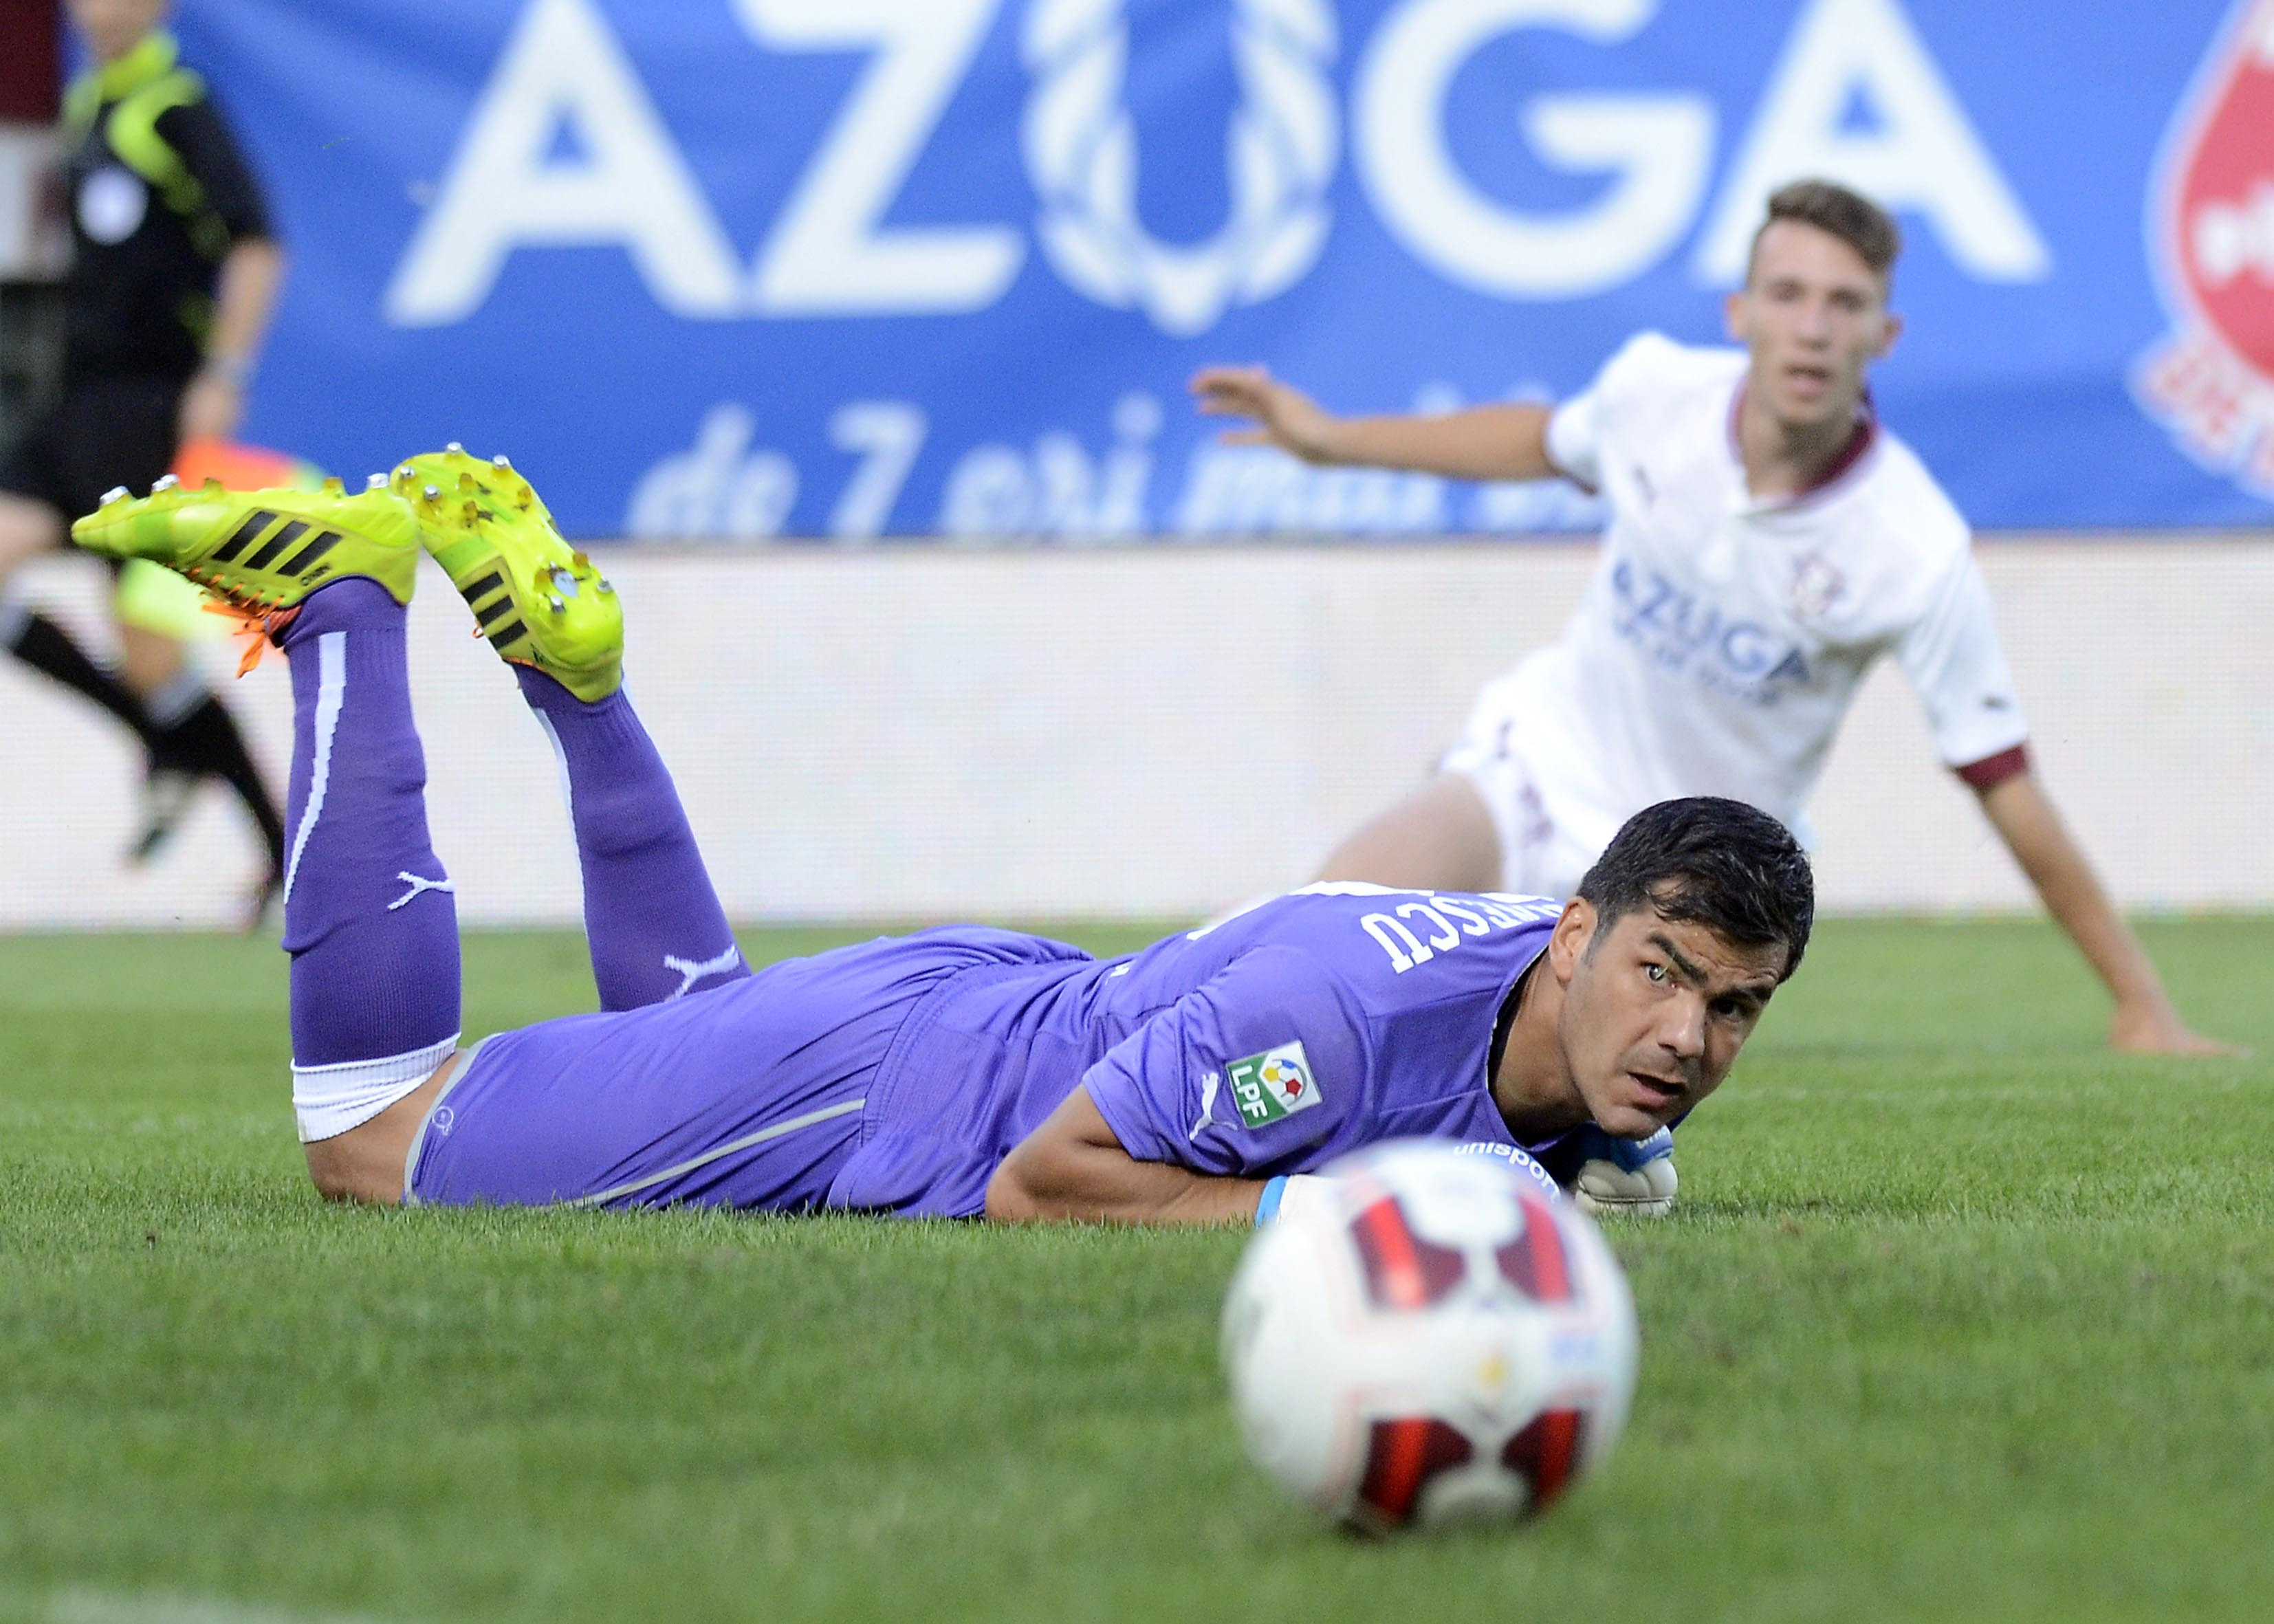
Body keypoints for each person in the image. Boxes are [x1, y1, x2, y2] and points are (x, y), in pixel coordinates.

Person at [71, 448, 1818, 1222]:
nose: (1687, 1034)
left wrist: (1583, 1162)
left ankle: (575, 681)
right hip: (915, 1091)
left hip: (977, 1005)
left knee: (686, 1043)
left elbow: (1531, 1107)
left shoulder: (1572, 1003)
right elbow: (1041, 1184)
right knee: (374, 1145)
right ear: (1574, 933)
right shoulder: (1339, 1019)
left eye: (1731, 1005)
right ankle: (344, 617)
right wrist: (1346, 1217)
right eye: (1664, 974)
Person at [1190, 178, 2231, 1057]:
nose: (1813, 326)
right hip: (1529, 773)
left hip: (1682, 893)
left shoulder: (1913, 546)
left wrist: (2140, 1000)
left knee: (1527, 1104)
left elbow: (2002, 778)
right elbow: (1539, 441)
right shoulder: (1657, 394)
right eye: (1788, 293)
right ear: (1741, 313)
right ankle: (1132, 1042)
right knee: (1310, 944)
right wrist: (1332, 440)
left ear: (1885, 334)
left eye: (1845, 302)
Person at [0, 0, 287, 916]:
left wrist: (225, 373)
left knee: (152, 653)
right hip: (77, 400)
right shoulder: (91, 107)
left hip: (149, 406)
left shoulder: (176, 105)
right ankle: (161, 741)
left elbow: (256, 244)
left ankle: (282, 850)